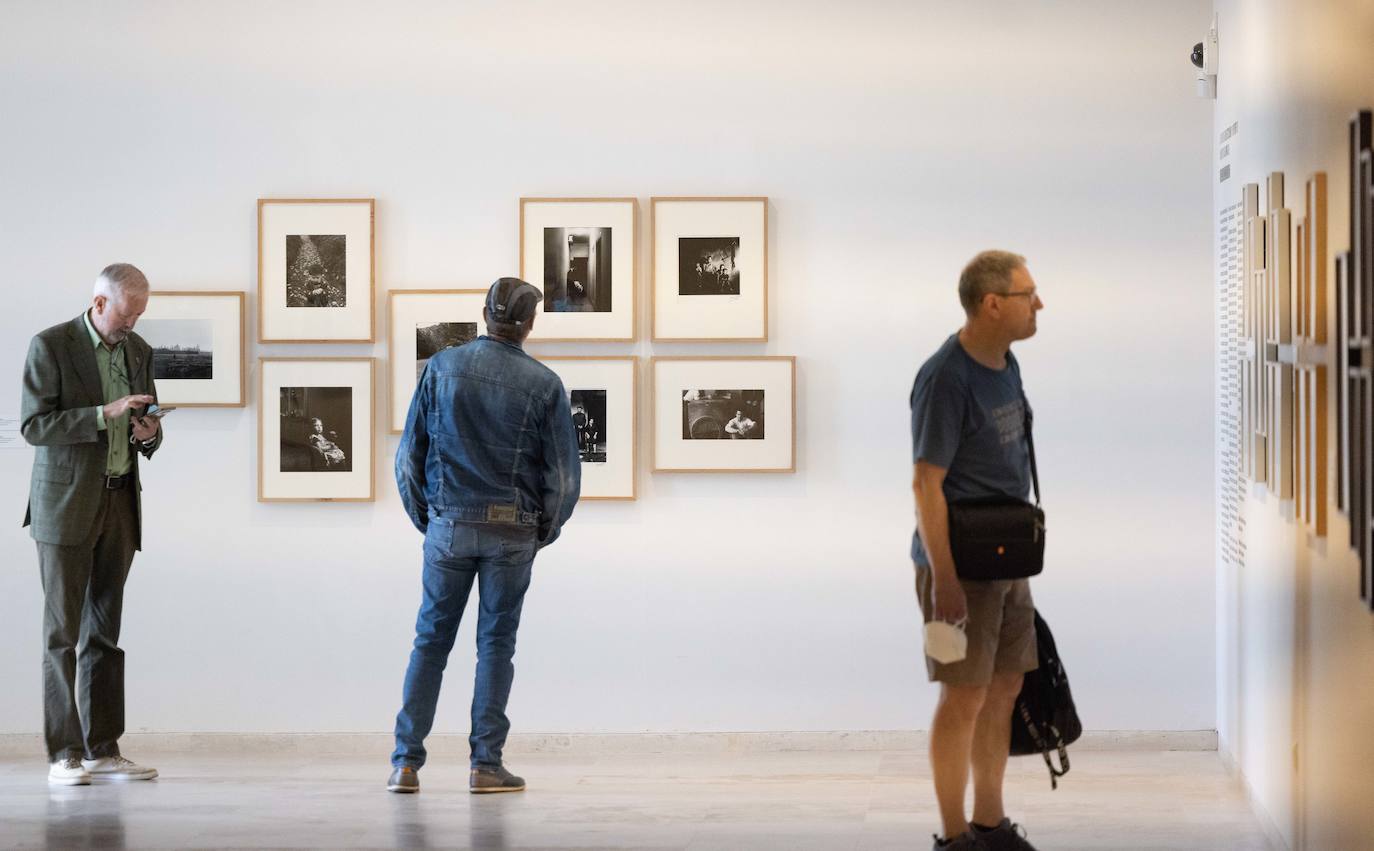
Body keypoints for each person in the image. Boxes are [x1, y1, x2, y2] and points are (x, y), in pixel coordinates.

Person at [388, 277, 581, 795]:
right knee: (495, 645)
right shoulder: (543, 384)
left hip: (448, 526)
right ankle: (485, 765)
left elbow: (408, 457)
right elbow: (561, 479)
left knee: (430, 642)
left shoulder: (442, 368)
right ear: (529, 323)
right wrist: (544, 528)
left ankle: (405, 764)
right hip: (510, 532)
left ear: (484, 313)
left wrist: (429, 519)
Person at [910, 250, 1045, 851]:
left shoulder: (1005, 362)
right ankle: (954, 835)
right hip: (956, 568)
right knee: (963, 694)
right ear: (993, 304)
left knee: (1006, 686)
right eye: (1028, 294)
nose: (1039, 304)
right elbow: (925, 483)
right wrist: (944, 579)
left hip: (1007, 560)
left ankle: (991, 824)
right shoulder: (947, 379)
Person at [21, 263, 164, 786]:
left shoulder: (138, 350)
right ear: (100, 303)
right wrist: (104, 413)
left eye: (140, 315)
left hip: (120, 502)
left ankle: (103, 749)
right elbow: (35, 426)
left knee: (104, 634)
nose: (133, 325)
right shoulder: (51, 346)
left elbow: (142, 428)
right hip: (65, 508)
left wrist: (147, 431)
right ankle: (64, 754)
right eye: (128, 314)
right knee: (62, 634)